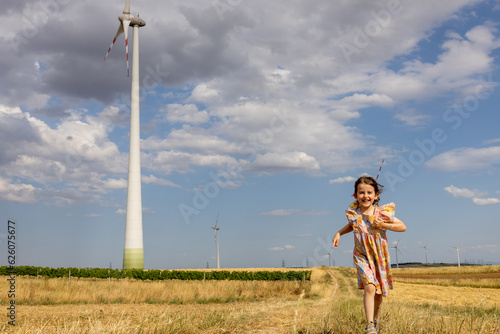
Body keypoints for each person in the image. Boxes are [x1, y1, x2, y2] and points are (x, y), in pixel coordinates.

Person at [332, 176, 406, 334]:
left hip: (379, 257)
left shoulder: (381, 213)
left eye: (369, 192)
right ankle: (370, 324)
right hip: (362, 256)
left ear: (376, 195)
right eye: (361, 192)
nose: (365, 196)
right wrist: (339, 233)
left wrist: (383, 225)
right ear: (355, 195)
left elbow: (402, 226)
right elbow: (352, 225)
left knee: (378, 293)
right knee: (370, 287)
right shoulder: (354, 214)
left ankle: (376, 321)